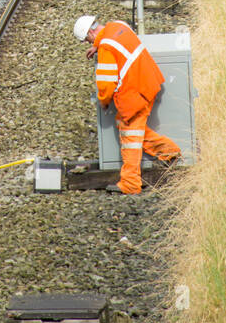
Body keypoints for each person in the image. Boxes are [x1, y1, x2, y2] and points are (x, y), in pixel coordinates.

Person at [73, 14, 180, 195]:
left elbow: (106, 83)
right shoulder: (117, 25)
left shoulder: (106, 47)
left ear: (90, 33)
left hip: (135, 91)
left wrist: (103, 101)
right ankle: (169, 152)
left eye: (86, 40)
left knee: (130, 135)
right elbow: (114, 39)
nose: (88, 43)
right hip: (149, 82)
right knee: (134, 130)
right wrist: (96, 45)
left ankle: (130, 184)